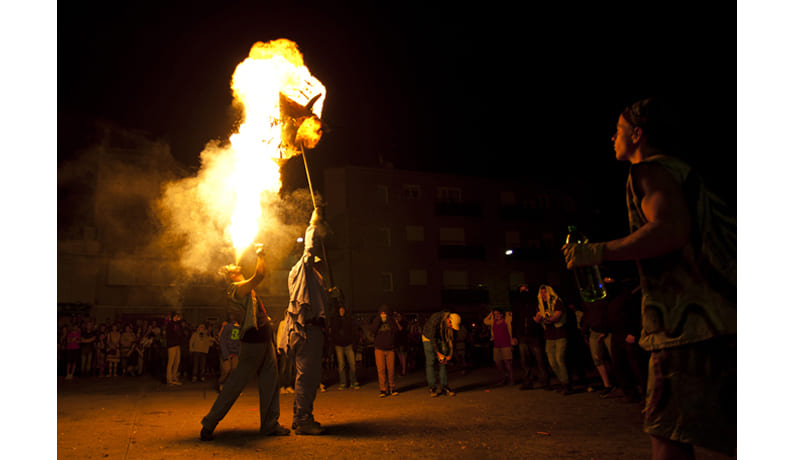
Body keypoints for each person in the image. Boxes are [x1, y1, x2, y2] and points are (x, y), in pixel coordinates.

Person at [563, 97, 736, 459]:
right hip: (721, 317)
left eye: (619, 131)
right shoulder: (684, 172)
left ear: (637, 134)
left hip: (686, 326)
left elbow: (670, 229)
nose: (613, 137)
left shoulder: (649, 171)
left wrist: (597, 252)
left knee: (665, 432)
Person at [200, 244, 289, 441]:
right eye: (230, 267)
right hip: (254, 342)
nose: (234, 264)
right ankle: (209, 423)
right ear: (230, 276)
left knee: (270, 381)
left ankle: (269, 425)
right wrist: (261, 254)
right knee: (236, 383)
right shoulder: (237, 289)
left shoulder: (242, 286)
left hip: (264, 338)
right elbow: (260, 275)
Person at [278, 208, 328, 435]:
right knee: (307, 378)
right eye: (316, 263)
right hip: (306, 331)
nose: (318, 267)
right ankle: (303, 420)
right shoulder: (302, 270)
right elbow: (308, 251)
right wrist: (313, 224)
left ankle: (301, 418)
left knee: (307, 377)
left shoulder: (311, 278)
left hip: (308, 331)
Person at [534, 285, 573, 395]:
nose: (543, 295)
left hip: (560, 334)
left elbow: (557, 316)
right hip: (549, 336)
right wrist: (538, 319)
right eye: (541, 293)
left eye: (545, 292)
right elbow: (537, 318)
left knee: (559, 359)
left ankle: (567, 384)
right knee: (552, 361)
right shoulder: (541, 306)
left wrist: (546, 319)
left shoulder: (557, 302)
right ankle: (562, 382)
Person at [514, 285, 549, 390]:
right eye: (521, 290)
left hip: (534, 335)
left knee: (540, 359)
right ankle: (527, 381)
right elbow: (514, 320)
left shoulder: (536, 303)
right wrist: (514, 336)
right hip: (522, 335)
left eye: (526, 289)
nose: (524, 292)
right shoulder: (517, 305)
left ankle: (544, 380)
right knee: (525, 361)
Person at [421, 310, 461, 397]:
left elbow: (452, 340)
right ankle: (432, 387)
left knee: (443, 361)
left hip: (441, 337)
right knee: (430, 362)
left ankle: (444, 387)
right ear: (448, 320)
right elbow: (432, 337)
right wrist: (438, 353)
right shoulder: (436, 318)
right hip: (428, 337)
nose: (451, 327)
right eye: (451, 325)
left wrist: (450, 354)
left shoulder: (450, 325)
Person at [483, 307, 517, 386]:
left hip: (506, 344)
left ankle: (512, 380)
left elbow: (513, 317)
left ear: (502, 314)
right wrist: (490, 314)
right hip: (497, 345)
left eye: (498, 313)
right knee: (498, 362)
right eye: (495, 314)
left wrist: (509, 313)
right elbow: (485, 321)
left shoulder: (506, 321)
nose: (496, 315)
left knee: (507, 363)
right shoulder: (493, 321)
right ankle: (504, 378)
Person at [370, 304, 399, 397]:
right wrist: (378, 321)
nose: (383, 315)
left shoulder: (391, 321)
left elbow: (395, 331)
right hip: (379, 349)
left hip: (390, 349)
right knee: (381, 370)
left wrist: (390, 320)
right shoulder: (376, 321)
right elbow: (373, 330)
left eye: (385, 313)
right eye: (381, 313)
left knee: (391, 370)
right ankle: (383, 389)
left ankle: (392, 388)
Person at [329, 304, 359, 390]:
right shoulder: (335, 320)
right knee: (341, 364)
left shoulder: (349, 319)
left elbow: (353, 330)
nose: (342, 311)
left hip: (348, 344)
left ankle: (353, 381)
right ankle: (343, 382)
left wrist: (354, 342)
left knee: (352, 364)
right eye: (340, 309)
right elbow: (333, 332)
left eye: (343, 309)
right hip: (339, 345)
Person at [217, 316, 241, 392]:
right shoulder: (228, 327)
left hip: (236, 353)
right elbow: (223, 341)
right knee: (226, 369)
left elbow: (241, 342)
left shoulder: (241, 328)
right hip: (227, 353)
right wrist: (226, 354)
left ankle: (232, 387)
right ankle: (222, 384)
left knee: (234, 370)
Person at [165, 313, 183, 385]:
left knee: (177, 361)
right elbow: (171, 333)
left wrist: (179, 322)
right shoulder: (170, 325)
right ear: (172, 317)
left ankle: (174, 377)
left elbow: (180, 332)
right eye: (175, 316)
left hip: (177, 345)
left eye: (177, 316)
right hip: (171, 345)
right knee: (171, 362)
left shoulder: (178, 324)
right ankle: (169, 379)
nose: (176, 317)